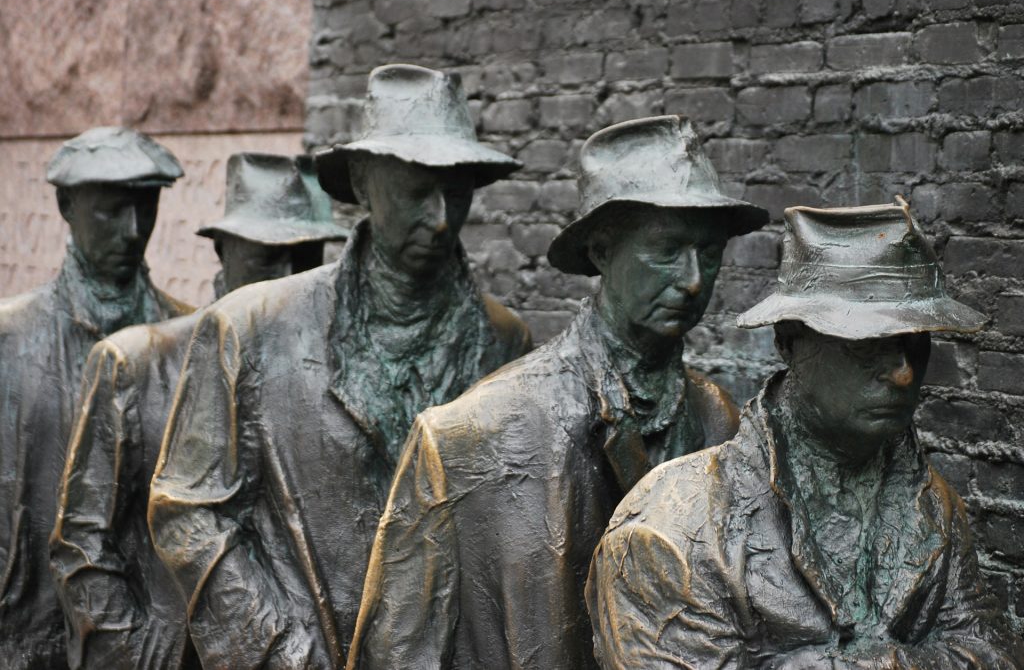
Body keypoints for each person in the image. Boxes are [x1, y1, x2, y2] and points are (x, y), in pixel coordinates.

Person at [349, 115, 769, 669]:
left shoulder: (718, 420)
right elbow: (397, 652)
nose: (693, 279)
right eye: (667, 249)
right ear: (600, 250)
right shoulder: (469, 435)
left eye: (710, 253)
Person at [147, 64, 533, 669]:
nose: (439, 219)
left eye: (456, 193)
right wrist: (279, 650)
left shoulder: (504, 341)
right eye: (415, 190)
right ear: (361, 179)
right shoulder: (249, 328)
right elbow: (188, 514)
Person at [586, 201, 1024, 669]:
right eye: (867, 344)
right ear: (789, 340)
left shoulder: (933, 504)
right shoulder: (674, 528)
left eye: (915, 341)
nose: (902, 374)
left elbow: (990, 650)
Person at [49, 152, 348, 670]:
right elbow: (81, 542)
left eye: (303, 257)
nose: (285, 277)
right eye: (264, 258)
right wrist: (131, 651)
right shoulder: (137, 362)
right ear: (223, 251)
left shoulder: (325, 376)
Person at [0, 127, 189, 669]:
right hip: (26, 641)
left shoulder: (188, 339)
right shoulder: (9, 341)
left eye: (145, 209)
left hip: (143, 650)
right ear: (66, 206)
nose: (133, 232)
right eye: (111, 211)